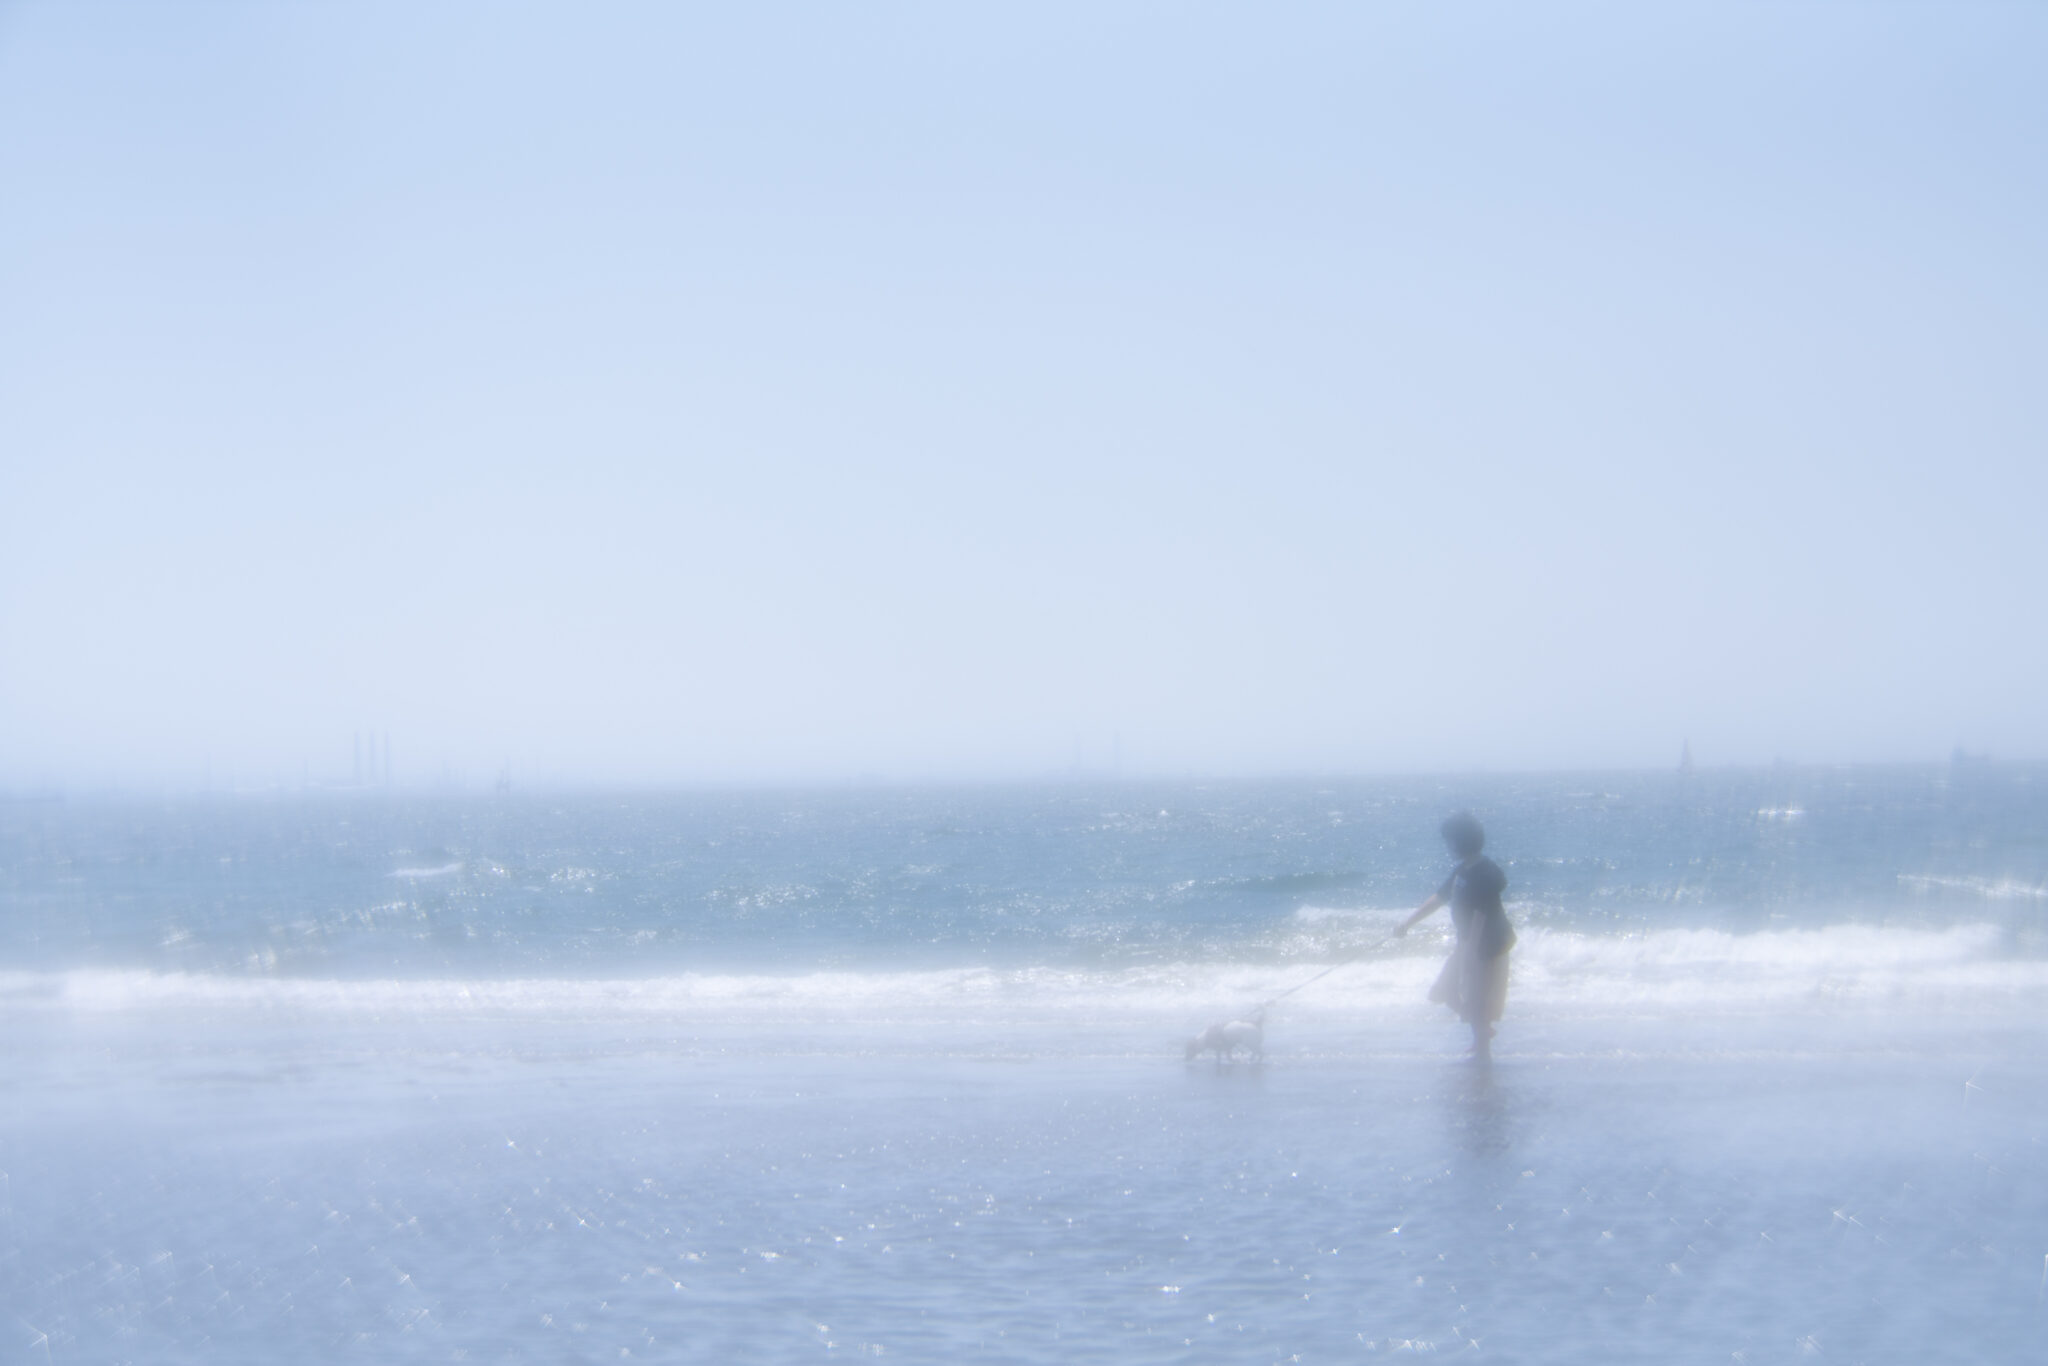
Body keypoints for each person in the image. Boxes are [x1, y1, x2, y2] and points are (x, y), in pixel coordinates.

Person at [1395, 811, 1515, 1060]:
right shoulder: (1462, 871)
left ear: (1461, 841)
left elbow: (1482, 913)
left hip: (1487, 946)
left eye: (1449, 840)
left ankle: (1482, 1053)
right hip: (1468, 943)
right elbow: (1439, 898)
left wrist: (1471, 954)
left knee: (1476, 998)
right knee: (1444, 992)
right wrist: (1407, 923)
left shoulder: (1485, 872)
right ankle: (1482, 1031)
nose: (1447, 846)